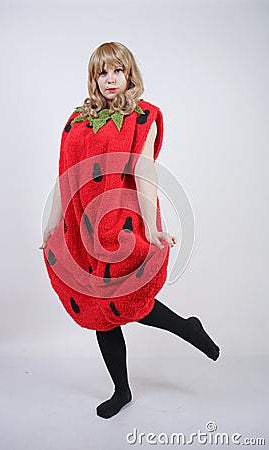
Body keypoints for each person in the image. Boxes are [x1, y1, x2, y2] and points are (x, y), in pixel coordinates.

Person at [39, 42, 220, 419]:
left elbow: (143, 171)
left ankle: (186, 328)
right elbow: (64, 172)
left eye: (117, 71)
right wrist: (52, 223)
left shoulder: (144, 116)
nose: (110, 79)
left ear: (129, 74)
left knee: (123, 299)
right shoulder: (76, 120)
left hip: (118, 220)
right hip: (80, 225)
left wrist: (153, 229)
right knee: (96, 308)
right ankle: (121, 391)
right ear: (94, 78)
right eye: (102, 72)